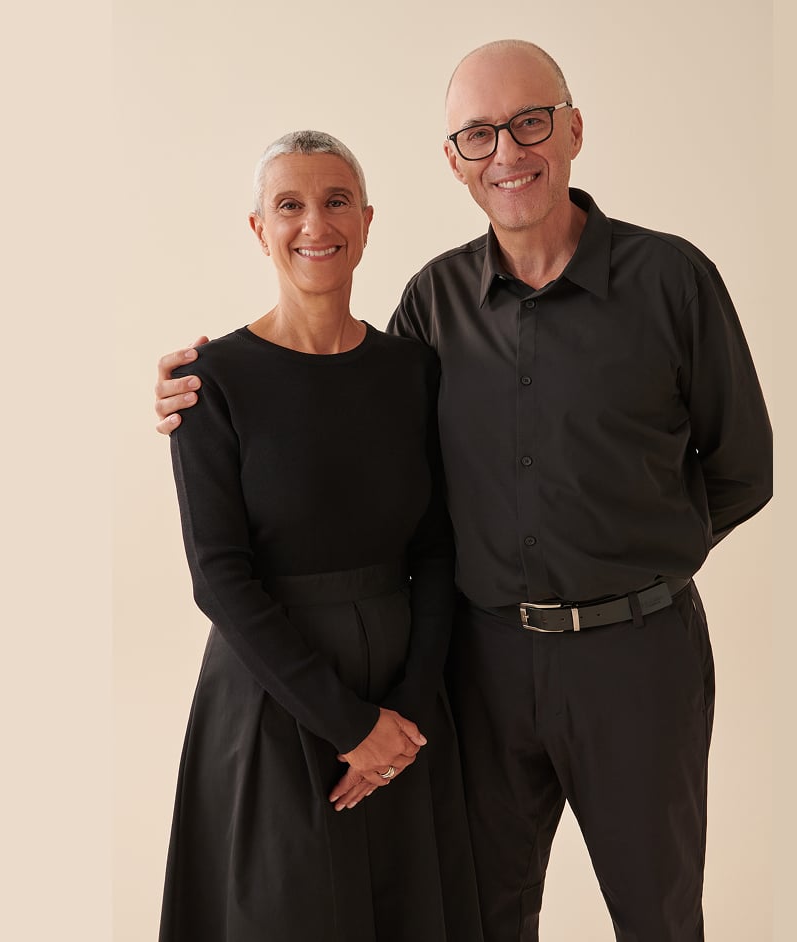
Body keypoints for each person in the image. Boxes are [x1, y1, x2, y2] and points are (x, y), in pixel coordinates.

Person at [155, 41, 772, 942]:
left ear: (572, 128)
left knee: (658, 915)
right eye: (478, 135)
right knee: (479, 914)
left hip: (638, 659)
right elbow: (359, 430)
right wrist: (187, 391)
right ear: (453, 160)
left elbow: (742, 465)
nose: (508, 153)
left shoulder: (672, 280)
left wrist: (631, 555)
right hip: (479, 667)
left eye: (529, 123)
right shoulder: (433, 305)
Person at [156, 130, 482, 942]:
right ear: (259, 229)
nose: (315, 224)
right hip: (273, 703)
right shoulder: (210, 380)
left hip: (405, 707)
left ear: (368, 221)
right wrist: (349, 725)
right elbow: (218, 578)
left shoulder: (414, 370)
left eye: (336, 201)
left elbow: (438, 551)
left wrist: (401, 719)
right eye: (289, 205)